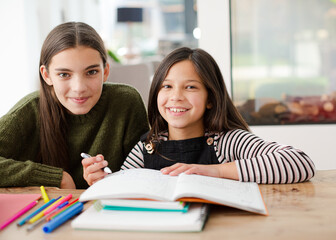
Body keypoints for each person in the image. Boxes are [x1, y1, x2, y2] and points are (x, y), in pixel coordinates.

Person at [121, 47, 315, 184]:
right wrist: (102, 180)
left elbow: (299, 162)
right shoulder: (147, 148)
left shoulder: (228, 142)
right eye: (167, 86)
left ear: (210, 98)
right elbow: (119, 187)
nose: (176, 97)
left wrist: (215, 171)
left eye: (190, 87)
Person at [0, 22, 149, 189]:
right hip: (49, 212)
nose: (79, 88)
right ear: (46, 75)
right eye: (64, 74)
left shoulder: (126, 102)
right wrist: (58, 178)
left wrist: (107, 182)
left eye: (91, 72)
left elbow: (145, 171)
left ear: (105, 71)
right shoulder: (29, 111)